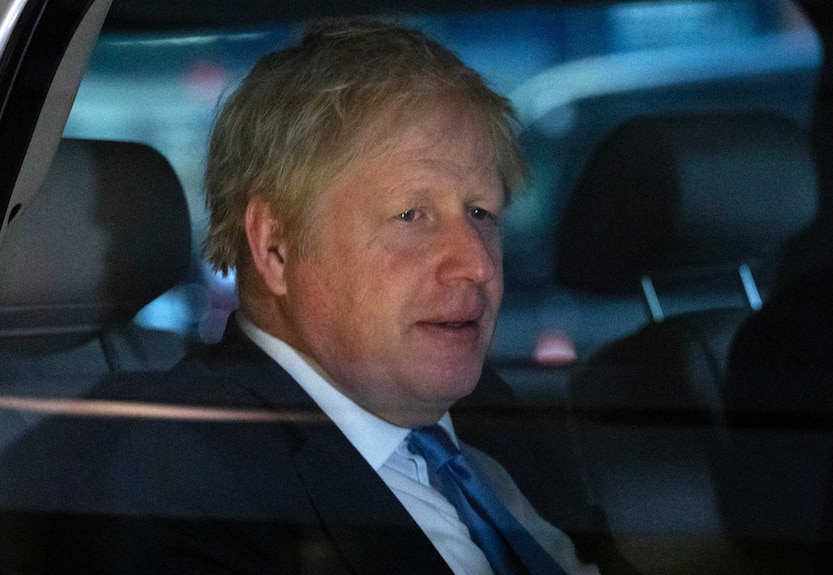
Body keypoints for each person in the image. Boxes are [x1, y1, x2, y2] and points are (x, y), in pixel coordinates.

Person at [0, 18, 636, 575]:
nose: (476, 263)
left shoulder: (485, 414)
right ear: (275, 247)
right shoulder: (177, 477)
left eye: (481, 212)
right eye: (412, 216)